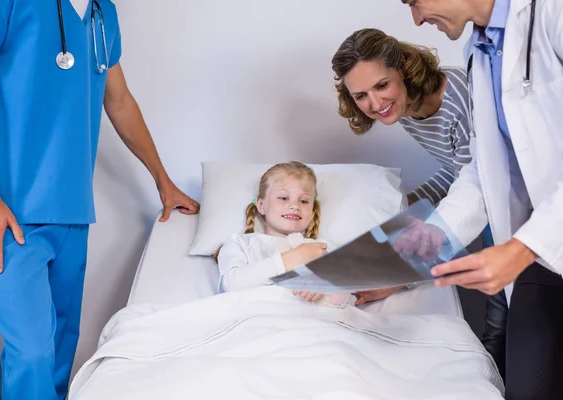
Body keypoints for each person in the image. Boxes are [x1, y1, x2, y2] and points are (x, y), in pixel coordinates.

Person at [0, 2, 199, 399]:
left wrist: (163, 181)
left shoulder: (101, 13)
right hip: (8, 212)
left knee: (58, 354)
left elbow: (119, 100)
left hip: (71, 211)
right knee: (32, 354)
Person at [399, 0, 563, 398]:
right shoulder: (480, 50)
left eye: (415, 2)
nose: (417, 19)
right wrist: (408, 263)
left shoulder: (552, 14)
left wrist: (523, 248)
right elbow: (486, 169)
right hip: (542, 253)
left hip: (535, 242)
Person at [331, 27, 507, 375]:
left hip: (513, 209)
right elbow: (460, 169)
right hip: (488, 205)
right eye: (361, 95)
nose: (375, 104)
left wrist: (400, 278)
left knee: (502, 315)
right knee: (498, 317)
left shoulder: (461, 97)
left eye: (382, 86)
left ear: (404, 68)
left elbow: (482, 186)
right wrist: (405, 203)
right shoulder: (408, 112)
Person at [215, 161, 354, 308]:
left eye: (304, 201)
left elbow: (351, 296)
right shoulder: (241, 243)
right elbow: (232, 285)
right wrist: (293, 258)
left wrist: (326, 282)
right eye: (283, 198)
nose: (295, 205)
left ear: (312, 211)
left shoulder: (323, 248)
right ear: (261, 205)